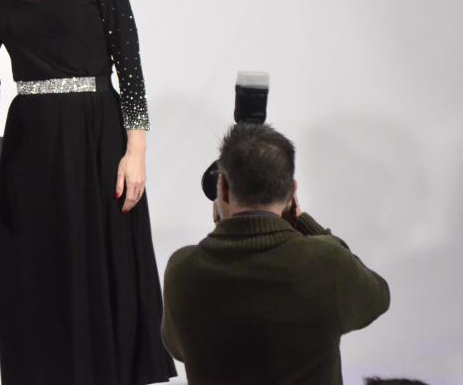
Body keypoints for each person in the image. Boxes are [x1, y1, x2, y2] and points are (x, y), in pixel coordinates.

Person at [0, 0, 176, 384]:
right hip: (31, 145)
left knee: (100, 270)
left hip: (98, 138)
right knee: (38, 272)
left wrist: (136, 152)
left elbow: (129, 66)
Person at [161, 123, 390, 385]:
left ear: (222, 188)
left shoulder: (183, 268)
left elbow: (178, 347)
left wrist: (223, 229)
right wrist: (305, 223)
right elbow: (378, 297)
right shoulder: (327, 263)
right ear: (292, 191)